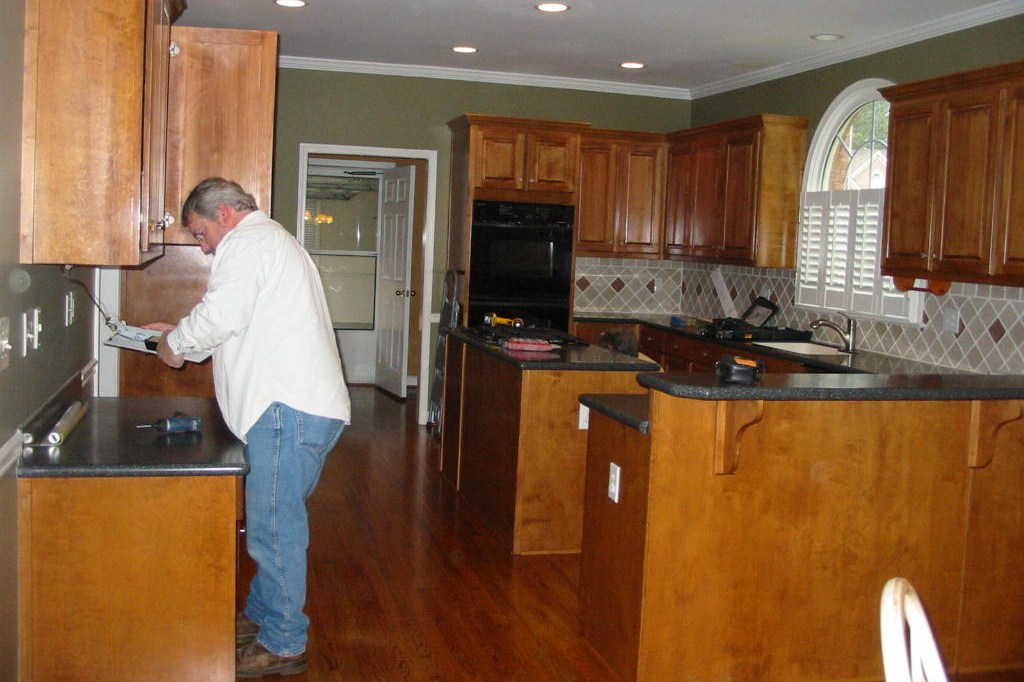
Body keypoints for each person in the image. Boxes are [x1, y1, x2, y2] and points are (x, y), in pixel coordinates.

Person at [146, 177, 350, 678]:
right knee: (275, 525)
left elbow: (221, 316)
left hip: (286, 411)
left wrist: (175, 347)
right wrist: (176, 336)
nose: (203, 246)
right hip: (299, 408)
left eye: (199, 233)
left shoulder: (248, 242)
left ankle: (283, 645)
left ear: (224, 216)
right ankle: (262, 617)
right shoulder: (270, 242)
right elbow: (238, 325)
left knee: (274, 530)